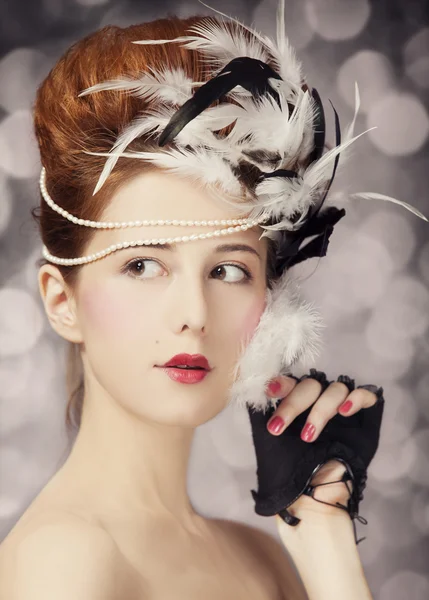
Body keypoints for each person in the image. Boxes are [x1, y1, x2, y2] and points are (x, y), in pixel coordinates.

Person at [0, 1, 426, 598]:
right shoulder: (65, 563)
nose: (195, 316)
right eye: (143, 265)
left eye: (227, 270)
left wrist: (324, 537)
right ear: (61, 300)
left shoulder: (263, 558)